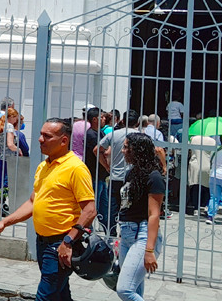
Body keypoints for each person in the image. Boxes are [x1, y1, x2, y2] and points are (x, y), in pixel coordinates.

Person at [0, 119, 96, 301]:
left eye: (47, 136)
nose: (39, 139)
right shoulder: (43, 166)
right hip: (43, 243)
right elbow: (32, 202)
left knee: (44, 296)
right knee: (60, 295)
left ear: (64, 140)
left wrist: (68, 241)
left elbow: (90, 211)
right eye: (40, 134)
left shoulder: (76, 168)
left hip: (61, 243)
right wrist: (4, 222)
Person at [115, 133, 165, 301]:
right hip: (128, 233)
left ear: (138, 151)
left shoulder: (154, 177)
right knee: (135, 287)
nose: (122, 151)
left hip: (143, 235)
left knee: (124, 289)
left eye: (126, 147)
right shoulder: (133, 173)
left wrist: (149, 250)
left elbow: (154, 215)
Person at [94, 109, 141, 237]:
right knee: (131, 207)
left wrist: (106, 166)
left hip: (116, 176)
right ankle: (128, 233)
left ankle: (111, 233)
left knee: (113, 208)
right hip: (133, 178)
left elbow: (97, 150)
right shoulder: (140, 136)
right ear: (137, 123)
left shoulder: (113, 134)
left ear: (123, 121)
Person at [82, 107, 109, 227]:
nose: (104, 119)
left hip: (101, 175)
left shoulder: (100, 132)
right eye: (101, 117)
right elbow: (98, 152)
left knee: (104, 205)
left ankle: (108, 229)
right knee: (94, 205)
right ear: (94, 119)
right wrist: (107, 166)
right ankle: (89, 229)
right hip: (94, 174)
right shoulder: (91, 134)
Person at [0, 107, 21, 195]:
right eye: (16, 117)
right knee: (5, 183)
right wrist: (18, 149)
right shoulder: (9, 126)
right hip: (7, 159)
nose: (16, 120)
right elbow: (10, 144)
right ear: (12, 116)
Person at [187, 132, 215, 216]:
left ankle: (196, 208)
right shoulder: (212, 141)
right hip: (206, 165)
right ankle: (206, 206)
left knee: (195, 187)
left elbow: (189, 150)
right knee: (207, 187)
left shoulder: (193, 139)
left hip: (195, 164)